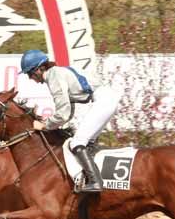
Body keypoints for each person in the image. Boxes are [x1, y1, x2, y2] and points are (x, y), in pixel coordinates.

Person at [20, 50, 120, 193]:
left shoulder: (53, 76)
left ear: (39, 68)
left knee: (77, 142)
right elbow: (68, 110)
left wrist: (44, 125)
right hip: (107, 98)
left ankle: (95, 182)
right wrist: (51, 123)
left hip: (104, 100)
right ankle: (92, 177)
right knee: (88, 142)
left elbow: (63, 113)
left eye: (29, 73)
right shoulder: (57, 72)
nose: (30, 78)